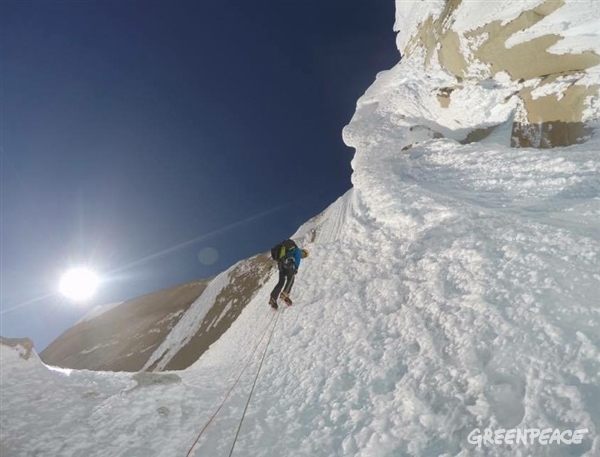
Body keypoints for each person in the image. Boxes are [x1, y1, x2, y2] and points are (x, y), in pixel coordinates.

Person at [269, 244, 309, 309]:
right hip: (288, 263)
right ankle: (285, 294)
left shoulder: (290, 251)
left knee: (281, 282)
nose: (303, 257)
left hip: (281, 264)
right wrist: (296, 268)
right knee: (291, 278)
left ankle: (273, 299)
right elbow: (298, 259)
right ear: (303, 252)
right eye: (304, 255)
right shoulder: (298, 251)